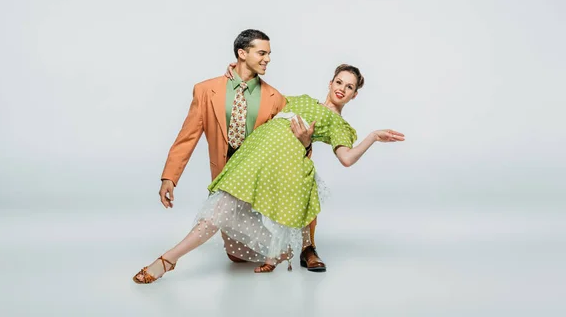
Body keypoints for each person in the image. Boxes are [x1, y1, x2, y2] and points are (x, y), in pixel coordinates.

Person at [133, 64, 405, 283]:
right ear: (330, 82)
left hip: (281, 168)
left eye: (350, 87)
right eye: (339, 82)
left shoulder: (338, 123)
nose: (342, 89)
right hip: (252, 159)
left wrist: (372, 137)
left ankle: (168, 260)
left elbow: (346, 158)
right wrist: (235, 73)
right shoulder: (297, 100)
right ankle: (281, 251)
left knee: (218, 213)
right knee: (221, 213)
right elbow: (258, 96)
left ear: (355, 94)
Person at [157, 29, 322, 269]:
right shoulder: (206, 90)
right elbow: (187, 136)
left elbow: (289, 143)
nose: (268, 59)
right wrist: (169, 177)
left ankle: (307, 247)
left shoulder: (275, 98)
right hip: (226, 176)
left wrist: (306, 145)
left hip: (258, 179)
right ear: (242, 53)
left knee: (308, 182)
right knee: (236, 255)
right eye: (262, 53)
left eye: (269, 54)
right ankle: (280, 248)